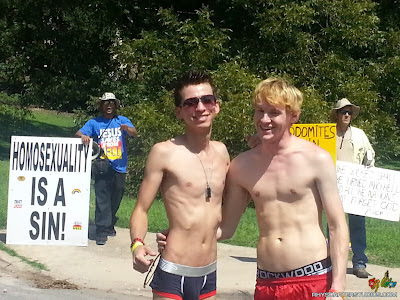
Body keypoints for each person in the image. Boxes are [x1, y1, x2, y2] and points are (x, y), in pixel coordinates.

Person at [157, 78, 349, 299]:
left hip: (312, 278)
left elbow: (337, 227)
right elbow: (226, 228)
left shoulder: (317, 159)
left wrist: (338, 286)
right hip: (267, 282)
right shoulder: (242, 165)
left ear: (293, 116)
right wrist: (182, 235)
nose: (265, 120)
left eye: (274, 113)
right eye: (260, 111)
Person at [130, 71, 230, 300]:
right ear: (179, 112)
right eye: (191, 103)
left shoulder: (223, 152)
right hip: (174, 270)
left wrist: (259, 147)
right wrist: (137, 245)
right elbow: (140, 209)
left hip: (209, 272)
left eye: (207, 100)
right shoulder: (164, 152)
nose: (200, 107)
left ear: (216, 106)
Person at [76, 92, 137, 245]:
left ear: (115, 105)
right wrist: (83, 137)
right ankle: (101, 230)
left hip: (119, 166)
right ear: (101, 106)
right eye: (106, 103)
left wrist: (127, 129)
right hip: (101, 165)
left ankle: (110, 223)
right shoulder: (94, 123)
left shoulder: (122, 120)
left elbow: (134, 133)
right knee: (102, 198)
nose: (109, 105)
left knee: (116, 197)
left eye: (111, 103)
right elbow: (78, 133)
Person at [330, 98, 375, 279]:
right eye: (343, 112)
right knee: (333, 226)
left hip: (355, 187)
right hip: (332, 186)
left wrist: (369, 169)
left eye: (349, 112)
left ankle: (359, 263)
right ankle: (332, 261)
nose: (347, 115)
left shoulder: (359, 134)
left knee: (357, 225)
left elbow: (369, 155)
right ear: (337, 114)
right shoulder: (328, 133)